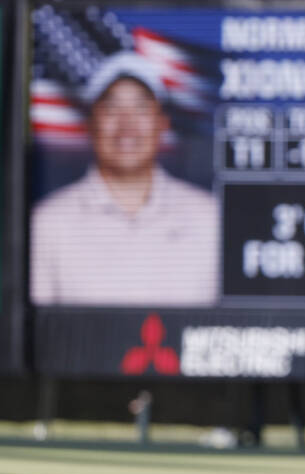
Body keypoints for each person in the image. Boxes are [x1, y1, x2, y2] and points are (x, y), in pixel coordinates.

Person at [30, 52, 219, 306]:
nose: (127, 125)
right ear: (91, 124)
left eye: (141, 108)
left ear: (162, 124)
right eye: (111, 109)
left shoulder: (208, 217)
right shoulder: (48, 223)